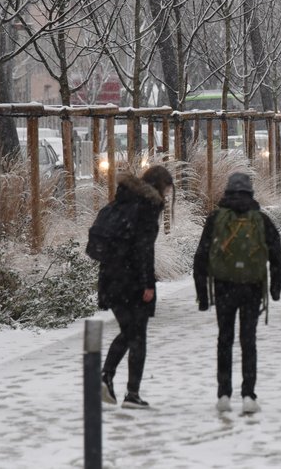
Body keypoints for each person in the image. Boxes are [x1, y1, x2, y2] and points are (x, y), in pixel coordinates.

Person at [194, 172, 281, 415]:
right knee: (248, 340)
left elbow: (201, 257)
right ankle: (248, 395)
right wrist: (275, 289)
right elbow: (277, 256)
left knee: (224, 339)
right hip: (252, 287)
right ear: (250, 192)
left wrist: (203, 296)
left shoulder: (215, 219)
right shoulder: (260, 219)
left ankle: (223, 394)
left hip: (224, 286)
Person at [92, 165, 175, 409]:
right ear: (159, 186)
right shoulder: (147, 207)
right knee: (136, 335)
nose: (168, 195)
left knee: (131, 333)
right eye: (167, 189)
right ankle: (127, 391)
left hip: (111, 277)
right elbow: (143, 248)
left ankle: (111, 381)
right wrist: (148, 283)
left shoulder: (120, 201)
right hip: (133, 281)